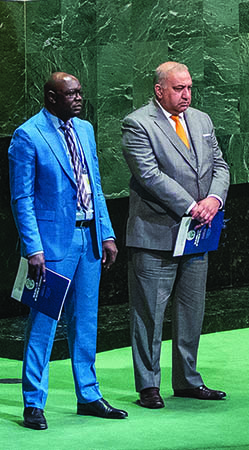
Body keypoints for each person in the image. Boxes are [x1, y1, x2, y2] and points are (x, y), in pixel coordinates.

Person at [8, 72, 127, 430]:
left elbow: (96, 184)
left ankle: (88, 394)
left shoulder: (85, 129)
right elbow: (21, 198)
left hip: (88, 237)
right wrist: (33, 248)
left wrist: (105, 233)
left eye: (79, 92)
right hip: (52, 244)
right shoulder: (28, 135)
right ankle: (33, 402)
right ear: (50, 97)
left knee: (86, 321)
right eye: (70, 93)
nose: (78, 98)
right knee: (43, 323)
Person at [121, 61, 230, 408]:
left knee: (191, 310)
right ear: (159, 90)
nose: (186, 95)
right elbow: (150, 175)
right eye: (178, 88)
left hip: (197, 235)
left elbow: (221, 165)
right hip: (156, 235)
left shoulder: (201, 120)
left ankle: (187, 379)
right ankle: (148, 385)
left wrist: (213, 199)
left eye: (189, 88)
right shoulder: (138, 124)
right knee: (150, 314)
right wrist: (192, 205)